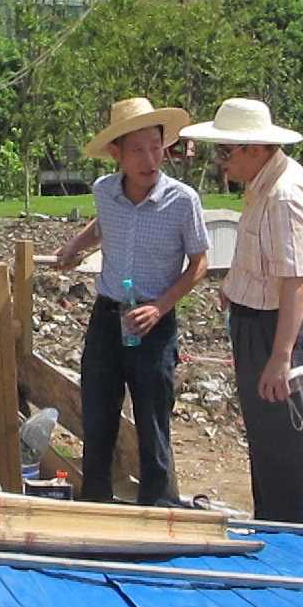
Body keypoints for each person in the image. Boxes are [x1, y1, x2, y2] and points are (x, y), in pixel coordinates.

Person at [54, 97, 209, 506]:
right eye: (138, 150)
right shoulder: (105, 191)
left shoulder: (183, 201)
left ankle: (156, 509)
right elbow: (103, 224)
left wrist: (160, 307)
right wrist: (75, 246)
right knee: (98, 419)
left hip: (153, 323)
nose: (149, 159)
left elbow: (199, 264)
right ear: (116, 154)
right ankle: (97, 505)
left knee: (153, 424)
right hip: (107, 318)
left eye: (156, 147)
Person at [183, 98, 303, 524]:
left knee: (287, 444)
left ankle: (302, 537)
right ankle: (277, 525)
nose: (220, 161)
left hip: (276, 328)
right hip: (258, 321)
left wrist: (281, 358)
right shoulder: (264, 183)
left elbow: (295, 281)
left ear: (256, 148)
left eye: (226, 151)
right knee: (267, 440)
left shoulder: (284, 195)